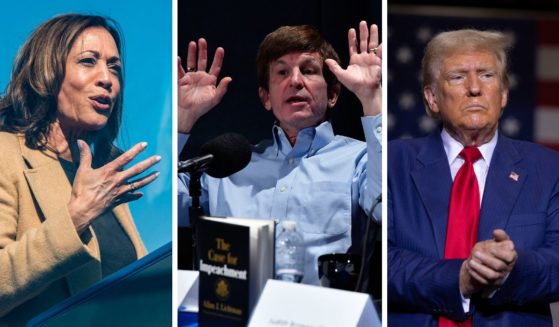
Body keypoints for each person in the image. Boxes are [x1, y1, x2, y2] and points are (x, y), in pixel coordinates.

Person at [178, 21, 382, 285]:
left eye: (308, 71)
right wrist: (183, 118)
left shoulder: (360, 159)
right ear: (265, 97)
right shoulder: (226, 166)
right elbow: (161, 208)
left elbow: (384, 212)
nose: (295, 81)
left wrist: (371, 99)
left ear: (333, 93)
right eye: (282, 72)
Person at [388, 29, 559, 326]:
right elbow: (381, 262)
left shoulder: (547, 167)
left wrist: (511, 271)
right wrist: (459, 279)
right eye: (457, 76)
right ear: (432, 98)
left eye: (487, 75)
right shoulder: (393, 162)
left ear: (504, 94)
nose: (474, 88)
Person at [0, 14, 160, 325]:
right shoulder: (6, 154)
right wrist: (76, 218)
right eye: (89, 61)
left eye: (114, 67)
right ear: (47, 73)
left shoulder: (102, 175)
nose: (107, 79)